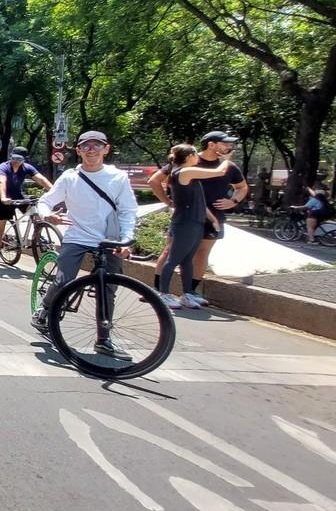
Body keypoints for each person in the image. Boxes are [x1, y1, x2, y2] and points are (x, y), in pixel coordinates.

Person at [30, 131, 138, 356]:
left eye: (97, 146)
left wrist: (126, 239)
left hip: (109, 239)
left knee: (107, 289)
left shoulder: (117, 178)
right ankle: (45, 309)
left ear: (106, 149)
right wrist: (47, 215)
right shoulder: (70, 177)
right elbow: (45, 201)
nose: (91, 150)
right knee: (63, 280)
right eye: (86, 146)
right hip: (77, 237)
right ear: (78, 151)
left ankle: (103, 339)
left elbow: (128, 210)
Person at [148, 130, 247, 303]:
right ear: (211, 144)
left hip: (203, 218)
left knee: (195, 256)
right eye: (225, 143)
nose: (229, 147)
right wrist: (169, 202)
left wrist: (232, 202)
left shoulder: (200, 168)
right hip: (185, 219)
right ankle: (160, 291)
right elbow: (155, 180)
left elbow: (241, 187)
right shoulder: (186, 166)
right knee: (172, 254)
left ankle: (189, 292)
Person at [158, 143, 230, 309]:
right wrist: (226, 159)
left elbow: (200, 202)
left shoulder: (191, 174)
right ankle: (164, 294)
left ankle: (187, 294)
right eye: (196, 154)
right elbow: (219, 172)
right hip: (185, 223)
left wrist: (212, 219)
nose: (198, 157)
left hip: (195, 221)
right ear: (189, 156)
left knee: (187, 260)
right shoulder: (184, 171)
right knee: (173, 259)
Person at [0, 146, 53, 269]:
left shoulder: (26, 168)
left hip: (17, 196)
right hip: (2, 200)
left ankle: (38, 233)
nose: (16, 161)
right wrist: (3, 197)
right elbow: (1, 182)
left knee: (34, 210)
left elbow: (41, 179)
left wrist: (54, 191)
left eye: (19, 159)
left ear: (24, 159)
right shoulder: (3, 167)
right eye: (14, 158)